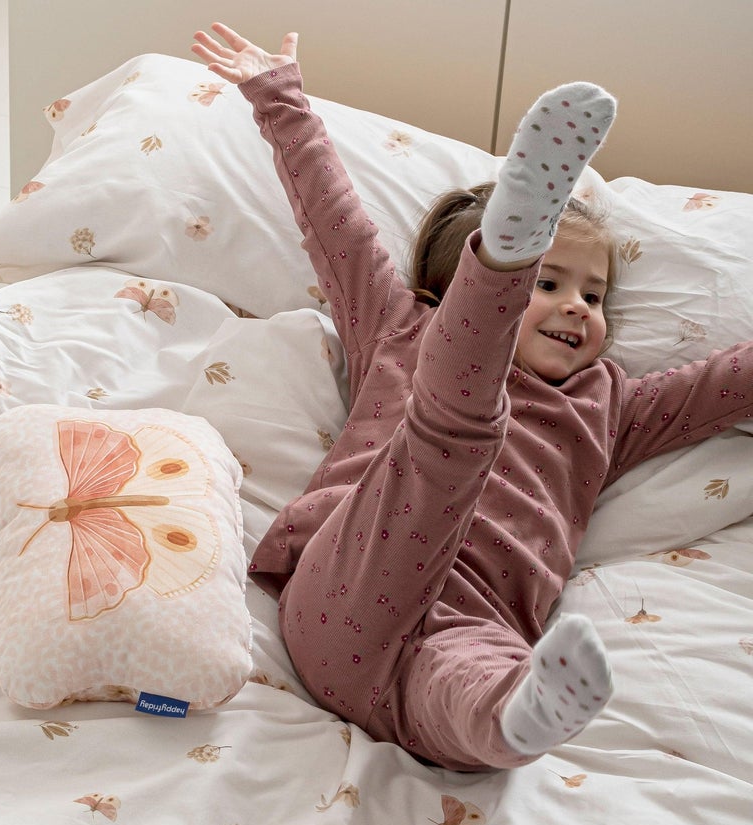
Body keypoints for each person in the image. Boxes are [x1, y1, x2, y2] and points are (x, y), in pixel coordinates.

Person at [192, 23, 752, 772]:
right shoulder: (400, 330)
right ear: (450, 290)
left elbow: (723, 386)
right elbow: (337, 228)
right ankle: (506, 251)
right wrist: (280, 100)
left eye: (595, 293)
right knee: (449, 435)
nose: (580, 308)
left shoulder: (609, 404)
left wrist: (511, 700)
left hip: (474, 629)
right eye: (547, 283)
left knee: (481, 697)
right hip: (348, 598)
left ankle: (520, 717)